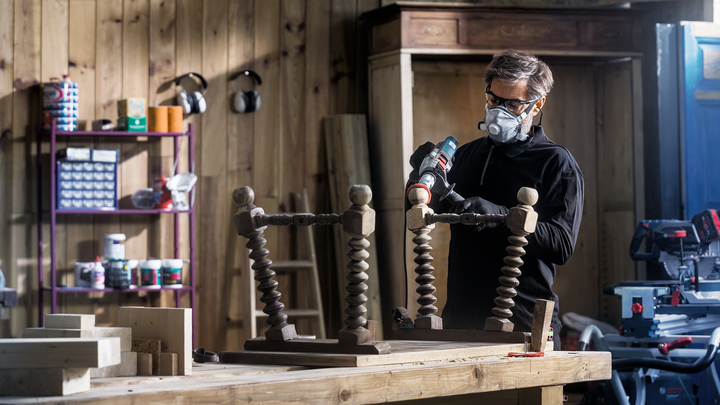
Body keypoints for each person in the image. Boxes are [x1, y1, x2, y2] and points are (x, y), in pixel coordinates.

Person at [406, 50, 584, 349]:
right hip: (460, 320)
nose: (500, 111)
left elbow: (562, 246)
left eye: (512, 104)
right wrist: (420, 175)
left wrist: (501, 217)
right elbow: (421, 213)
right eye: (494, 100)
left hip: (524, 323)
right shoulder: (466, 155)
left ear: (537, 104)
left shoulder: (557, 163)